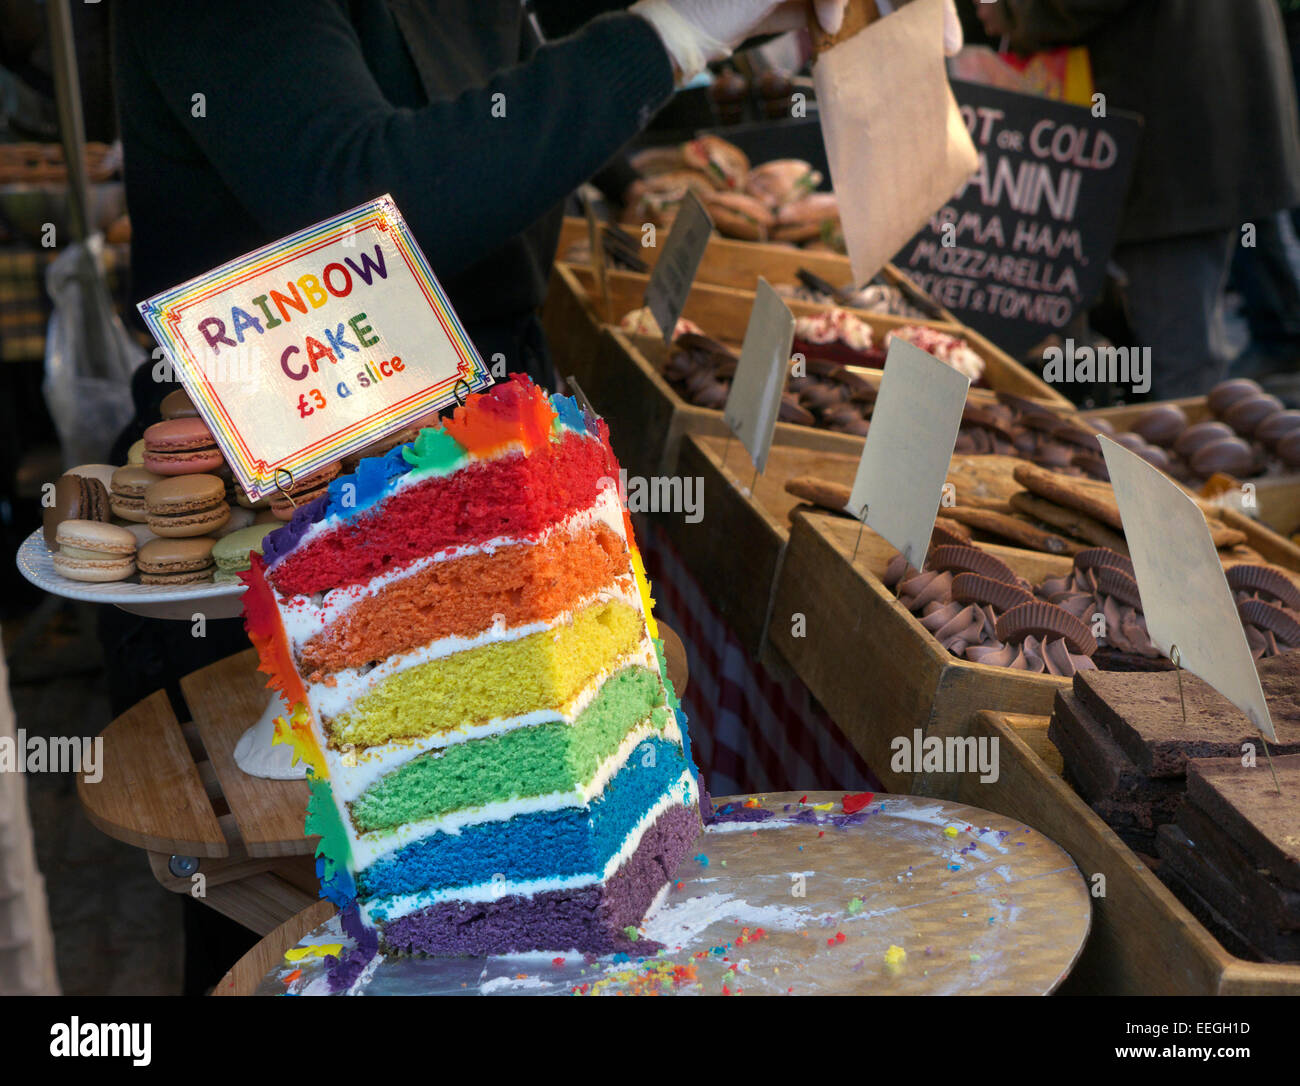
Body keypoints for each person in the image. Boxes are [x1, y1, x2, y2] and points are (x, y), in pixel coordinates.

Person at [108, 0, 847, 994]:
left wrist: (701, 43)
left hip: (490, 498)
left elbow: (494, 103)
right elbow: (355, 192)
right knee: (326, 953)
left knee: (538, 932)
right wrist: (664, 35)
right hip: (281, 524)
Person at [974, 0, 1300, 399]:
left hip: (1169, 134)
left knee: (1177, 363)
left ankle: (1182, 456)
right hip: (1177, 121)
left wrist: (1012, 10)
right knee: (1164, 353)